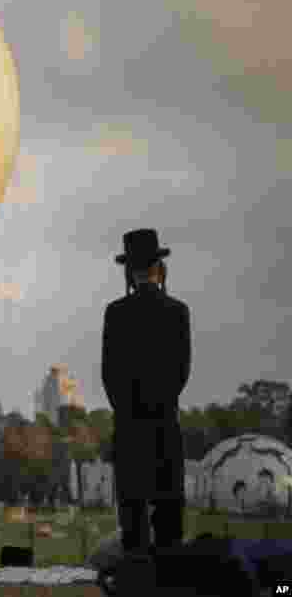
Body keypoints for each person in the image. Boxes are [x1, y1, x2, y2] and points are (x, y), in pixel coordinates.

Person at [102, 228, 191, 553]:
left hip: (129, 426)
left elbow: (109, 375)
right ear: (160, 268)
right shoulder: (178, 311)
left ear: (129, 271)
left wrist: (128, 409)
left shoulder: (116, 314)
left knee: (133, 514)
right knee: (169, 512)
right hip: (165, 422)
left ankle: (136, 579)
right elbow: (182, 372)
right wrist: (160, 402)